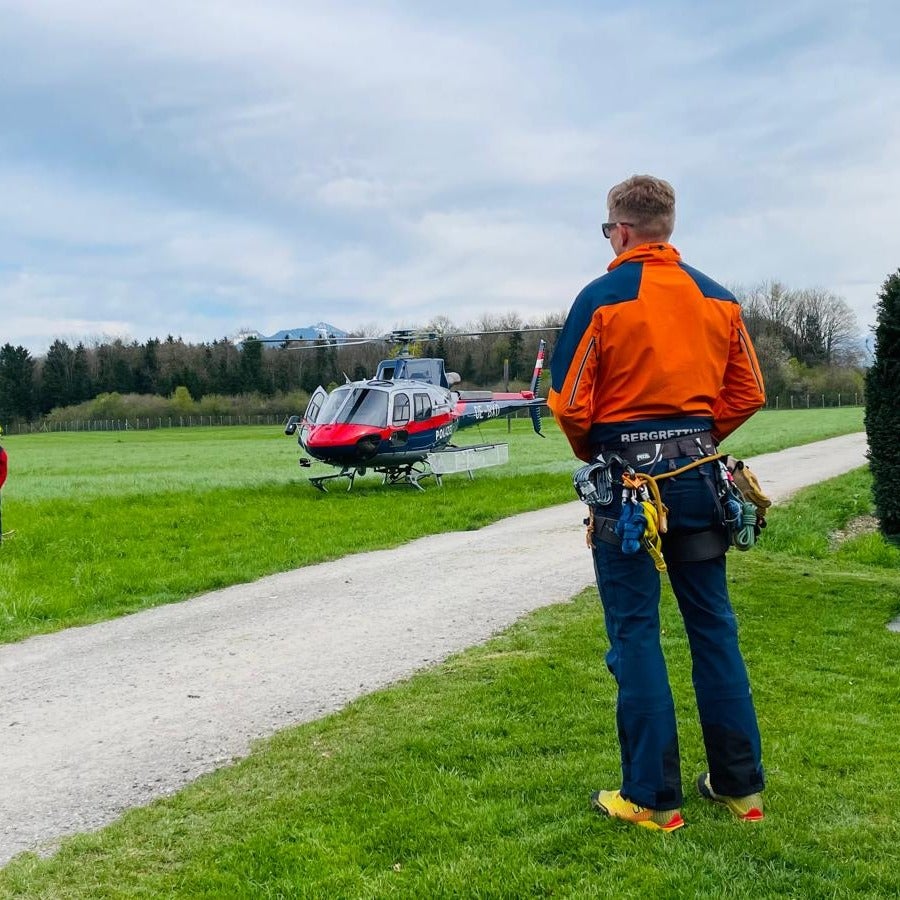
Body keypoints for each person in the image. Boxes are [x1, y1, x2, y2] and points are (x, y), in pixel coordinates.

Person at [548, 175, 766, 832]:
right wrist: (697, 444)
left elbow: (567, 403)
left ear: (618, 229)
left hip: (629, 490)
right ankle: (740, 790)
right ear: (666, 227)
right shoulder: (717, 299)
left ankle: (652, 797)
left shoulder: (602, 298)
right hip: (703, 482)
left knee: (637, 634)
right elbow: (747, 391)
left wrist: (601, 452)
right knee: (713, 629)